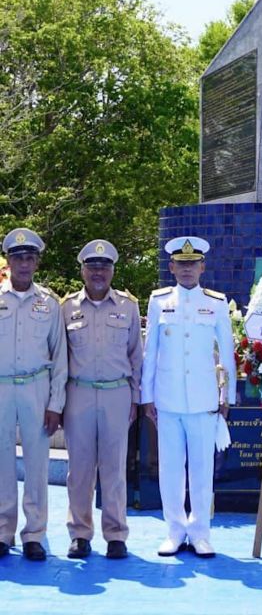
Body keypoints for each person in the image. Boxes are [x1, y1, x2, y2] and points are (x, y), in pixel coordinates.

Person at [141, 236, 236, 558]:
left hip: (203, 399)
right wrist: (147, 396)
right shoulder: (158, 300)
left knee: (201, 469)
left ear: (202, 267)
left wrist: (228, 396)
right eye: (180, 265)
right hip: (167, 399)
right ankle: (173, 530)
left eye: (191, 264)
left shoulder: (216, 302)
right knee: (170, 468)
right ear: (171, 267)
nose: (186, 270)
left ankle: (200, 533)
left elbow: (227, 353)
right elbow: (150, 351)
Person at [61, 240, 143, 560]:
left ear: (112, 270)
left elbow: (136, 356)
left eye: (104, 266)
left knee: (114, 468)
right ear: (82, 270)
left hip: (116, 393)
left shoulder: (128, 306)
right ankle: (80, 534)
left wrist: (136, 398)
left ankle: (116, 534)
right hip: (78, 392)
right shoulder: (66, 307)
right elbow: (60, 357)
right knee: (79, 470)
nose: (98, 272)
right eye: (92, 266)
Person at [0, 228, 67, 561]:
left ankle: (34, 534)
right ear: (8, 261)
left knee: (37, 463)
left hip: (35, 386)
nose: (23, 264)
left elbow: (59, 358)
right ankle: (2, 530)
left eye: (29, 258)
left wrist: (56, 404)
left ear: (37, 262)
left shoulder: (50, 304)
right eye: (17, 258)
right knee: (0, 462)